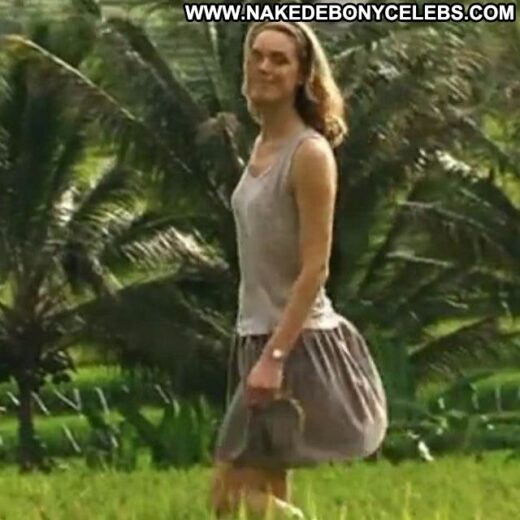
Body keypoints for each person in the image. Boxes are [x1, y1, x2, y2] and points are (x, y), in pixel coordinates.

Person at [210, 21, 388, 519]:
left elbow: (315, 268)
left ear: (301, 75)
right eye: (257, 55)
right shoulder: (260, 146)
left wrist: (275, 356)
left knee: (228, 498)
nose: (264, 67)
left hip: (294, 343)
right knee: (265, 487)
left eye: (279, 59)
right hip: (255, 335)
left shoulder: (308, 153)